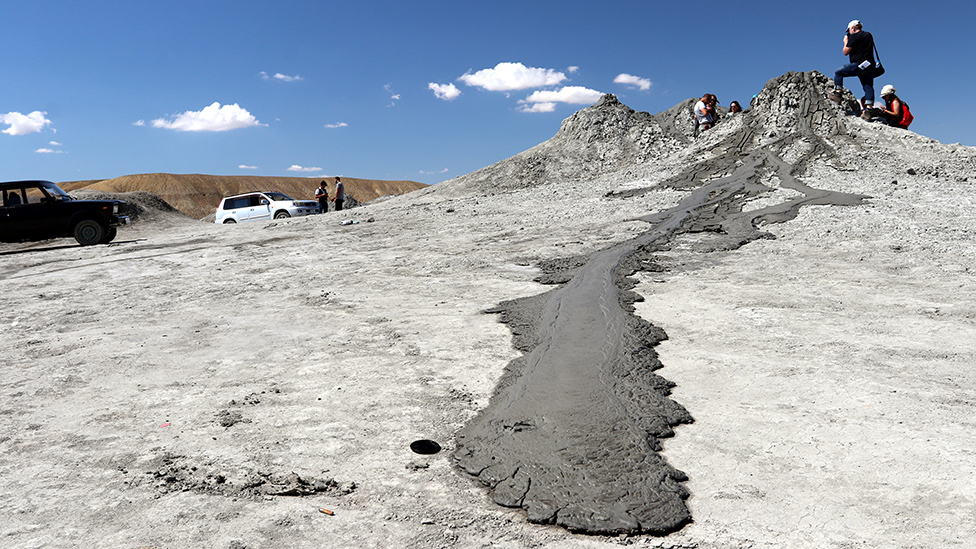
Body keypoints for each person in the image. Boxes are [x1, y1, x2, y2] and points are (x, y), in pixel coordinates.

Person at [829, 19, 878, 119]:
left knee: (838, 73)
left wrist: (846, 41)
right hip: (869, 65)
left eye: (849, 31)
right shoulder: (868, 35)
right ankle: (869, 109)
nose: (849, 33)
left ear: (853, 28)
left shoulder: (854, 36)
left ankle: (838, 94)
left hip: (859, 64)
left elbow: (845, 51)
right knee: (867, 85)